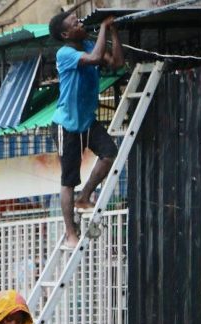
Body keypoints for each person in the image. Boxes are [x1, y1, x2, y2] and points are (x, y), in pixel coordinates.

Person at [49, 11, 124, 248]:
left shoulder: (91, 44)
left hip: (87, 121)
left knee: (110, 154)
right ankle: (71, 232)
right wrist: (103, 27)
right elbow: (93, 58)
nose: (81, 23)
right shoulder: (65, 53)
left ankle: (85, 196)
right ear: (66, 34)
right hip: (67, 124)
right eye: (75, 23)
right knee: (69, 179)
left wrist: (113, 31)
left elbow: (117, 63)